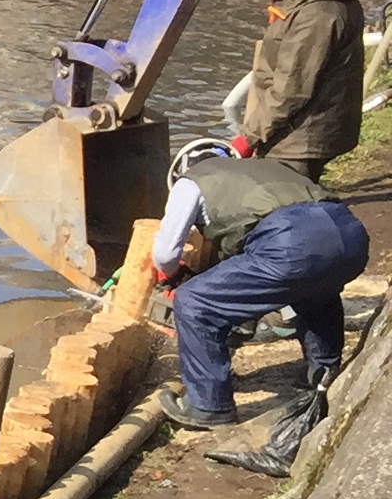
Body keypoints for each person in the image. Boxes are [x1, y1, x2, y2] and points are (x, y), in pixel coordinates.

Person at [150, 137, 371, 430]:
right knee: (314, 286)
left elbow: (165, 254)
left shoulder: (190, 182)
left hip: (291, 242)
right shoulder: (266, 168)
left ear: (182, 169)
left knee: (193, 302)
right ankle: (323, 369)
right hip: (350, 235)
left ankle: (207, 406)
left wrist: (170, 274)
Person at [231, 0, 366, 179]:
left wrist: (247, 139)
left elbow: (290, 90)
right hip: (298, 126)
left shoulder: (317, 16)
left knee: (285, 198)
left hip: (302, 137)